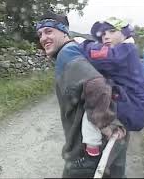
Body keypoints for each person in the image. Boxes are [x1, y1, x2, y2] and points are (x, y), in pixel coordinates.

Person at [35, 12, 129, 178]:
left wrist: (104, 124)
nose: (43, 38)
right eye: (40, 34)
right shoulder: (76, 50)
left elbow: (97, 86)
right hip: (107, 145)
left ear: (64, 32)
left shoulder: (67, 53)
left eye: (49, 31)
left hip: (87, 152)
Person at [75, 16, 144, 175]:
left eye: (111, 31)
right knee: (117, 159)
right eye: (102, 34)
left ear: (125, 33)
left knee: (93, 101)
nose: (106, 36)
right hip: (131, 106)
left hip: (132, 108)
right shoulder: (124, 52)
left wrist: (82, 43)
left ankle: (92, 150)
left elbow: (99, 55)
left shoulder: (125, 50)